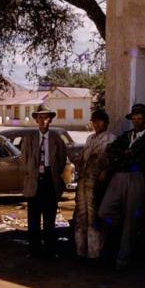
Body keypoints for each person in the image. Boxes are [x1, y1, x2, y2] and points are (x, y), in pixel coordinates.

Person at [98, 103, 145, 271]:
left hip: (136, 177)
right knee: (105, 211)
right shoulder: (125, 136)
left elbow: (139, 158)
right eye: (135, 118)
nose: (137, 121)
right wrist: (124, 154)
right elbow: (110, 150)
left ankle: (122, 260)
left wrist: (122, 155)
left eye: (140, 118)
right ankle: (115, 238)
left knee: (132, 221)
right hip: (119, 177)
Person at [21, 104, 67, 259]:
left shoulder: (57, 140)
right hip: (34, 182)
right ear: (36, 120)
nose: (43, 120)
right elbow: (24, 161)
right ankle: (34, 251)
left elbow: (61, 162)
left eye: (46, 117)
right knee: (33, 220)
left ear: (50, 120)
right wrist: (32, 173)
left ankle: (50, 251)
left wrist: (51, 173)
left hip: (50, 181)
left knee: (49, 220)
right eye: (40, 117)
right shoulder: (29, 139)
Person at [73, 109, 116, 264]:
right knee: (81, 216)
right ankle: (81, 252)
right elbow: (83, 158)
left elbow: (111, 162)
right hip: (83, 182)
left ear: (106, 123)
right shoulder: (90, 138)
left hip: (98, 184)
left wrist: (104, 172)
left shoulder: (111, 139)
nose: (96, 124)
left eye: (100, 121)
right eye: (94, 121)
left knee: (95, 218)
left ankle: (95, 254)